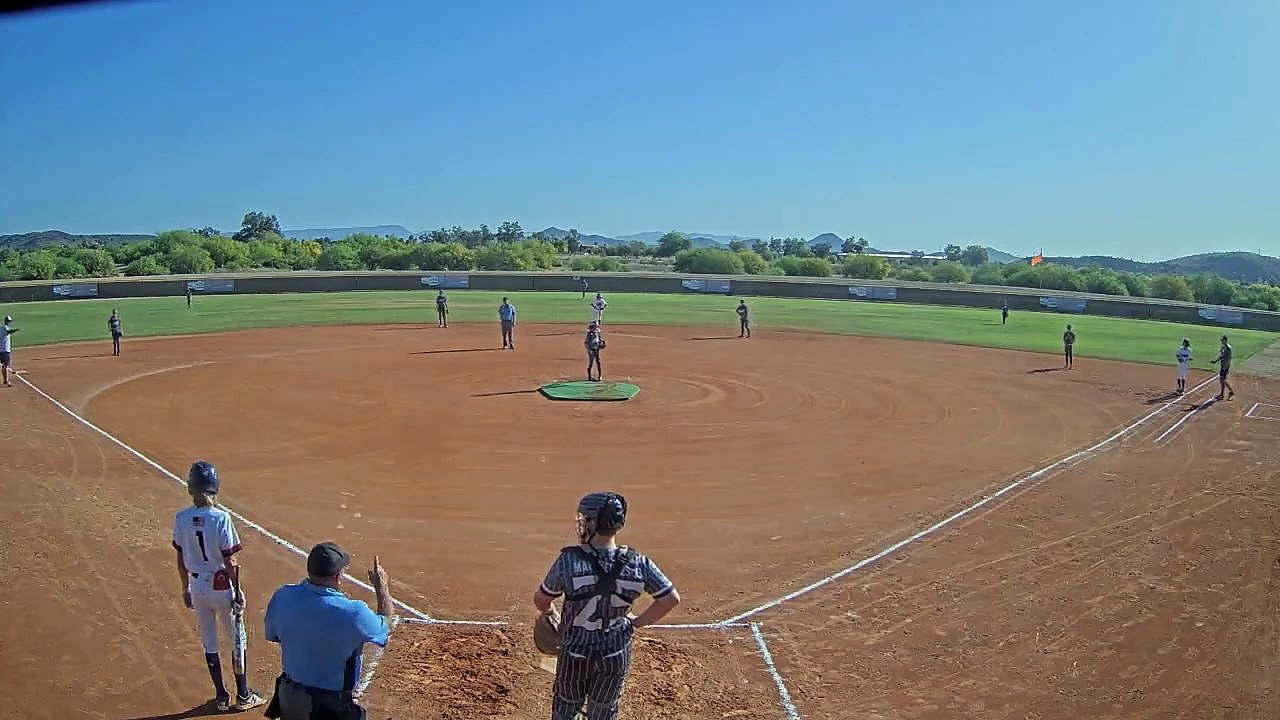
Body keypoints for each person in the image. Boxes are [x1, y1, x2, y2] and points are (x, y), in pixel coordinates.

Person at [534, 492, 681, 720]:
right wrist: (637, 622)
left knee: (565, 708)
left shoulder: (569, 561)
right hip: (614, 654)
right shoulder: (638, 563)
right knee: (604, 711)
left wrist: (551, 613)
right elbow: (670, 599)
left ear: (592, 522)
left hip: (575, 653)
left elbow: (541, 599)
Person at [172, 461, 267, 712]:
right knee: (237, 639)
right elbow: (230, 561)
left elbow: (180, 560)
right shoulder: (221, 518)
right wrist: (237, 592)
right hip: (221, 585)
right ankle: (244, 696)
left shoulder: (181, 519)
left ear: (190, 488)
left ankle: (221, 697)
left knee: (209, 641)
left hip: (197, 585)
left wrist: (186, 589)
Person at [263, 543, 394, 720]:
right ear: (338, 576)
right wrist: (381, 586)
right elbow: (385, 629)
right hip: (330, 708)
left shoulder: (282, 597)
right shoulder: (353, 613)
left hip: (291, 700)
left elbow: (273, 635)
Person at [1210, 335, 1235, 401]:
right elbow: (1222, 356)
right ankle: (1222, 394)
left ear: (1225, 340)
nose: (1221, 341)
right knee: (1222, 380)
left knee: (1223, 380)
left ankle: (1230, 392)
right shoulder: (1224, 347)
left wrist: (1225, 367)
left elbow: (1228, 358)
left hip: (1225, 366)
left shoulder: (1228, 348)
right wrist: (1215, 361)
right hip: (1223, 366)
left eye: (1222, 340)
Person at [1, 315, 17, 387]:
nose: (9, 322)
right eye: (9, 321)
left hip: (1, 349)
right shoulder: (5, 328)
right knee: (5, 365)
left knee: (4, 366)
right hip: (5, 350)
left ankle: (5, 380)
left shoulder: (1, 328)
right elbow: (8, 332)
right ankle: (6, 381)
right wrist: (15, 330)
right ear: (6, 321)